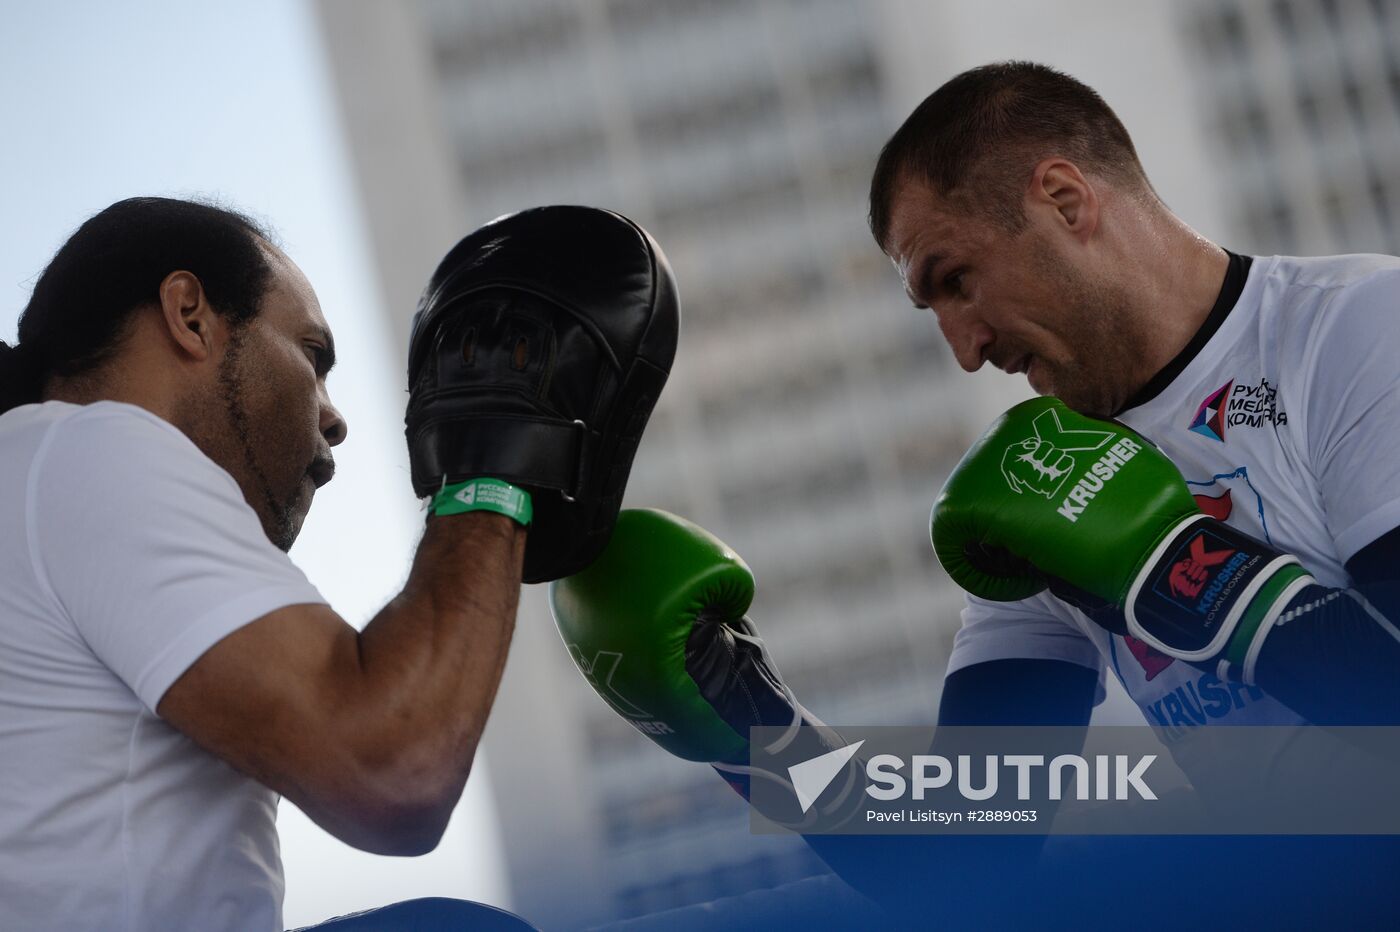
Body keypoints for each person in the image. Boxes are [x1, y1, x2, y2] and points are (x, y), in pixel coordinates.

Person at [552, 62, 1400, 928]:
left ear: (1065, 200)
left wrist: (1172, 564)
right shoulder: (1038, 479)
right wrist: (749, 725)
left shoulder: (1356, 329)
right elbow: (958, 865)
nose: (965, 348)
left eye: (955, 280)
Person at [0, 197, 678, 930]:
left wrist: (756, 733)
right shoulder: (88, 453)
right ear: (189, 313)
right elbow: (393, 767)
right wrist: (495, 459)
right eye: (313, 356)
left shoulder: (36, 483)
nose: (334, 416)